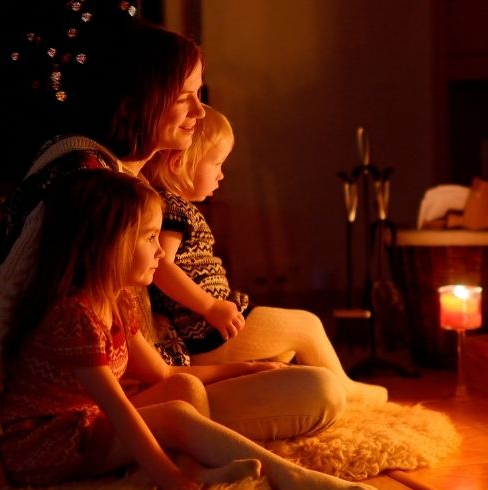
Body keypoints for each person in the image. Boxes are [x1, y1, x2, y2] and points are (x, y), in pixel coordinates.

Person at [0, 20, 340, 488]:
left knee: (299, 368)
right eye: (184, 98)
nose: (200, 111)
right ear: (132, 102)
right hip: (81, 404)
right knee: (316, 392)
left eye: (199, 93)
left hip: (144, 367)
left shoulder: (128, 170)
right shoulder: (83, 182)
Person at [0, 169, 379, 490]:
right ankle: (286, 480)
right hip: (43, 444)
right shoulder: (72, 316)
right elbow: (118, 411)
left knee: (183, 385)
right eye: (149, 237)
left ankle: (196, 467)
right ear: (107, 244)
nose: (162, 252)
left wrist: (245, 368)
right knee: (175, 415)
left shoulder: (116, 301)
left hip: (82, 426)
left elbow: (163, 373)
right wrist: (170, 481)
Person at [142, 106, 389, 405]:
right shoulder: (171, 208)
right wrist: (209, 306)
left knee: (284, 350)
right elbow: (161, 267)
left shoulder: (172, 207)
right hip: (208, 332)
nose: (221, 174)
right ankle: (346, 390)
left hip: (213, 324)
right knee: (307, 326)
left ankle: (316, 392)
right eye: (217, 163)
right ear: (178, 163)